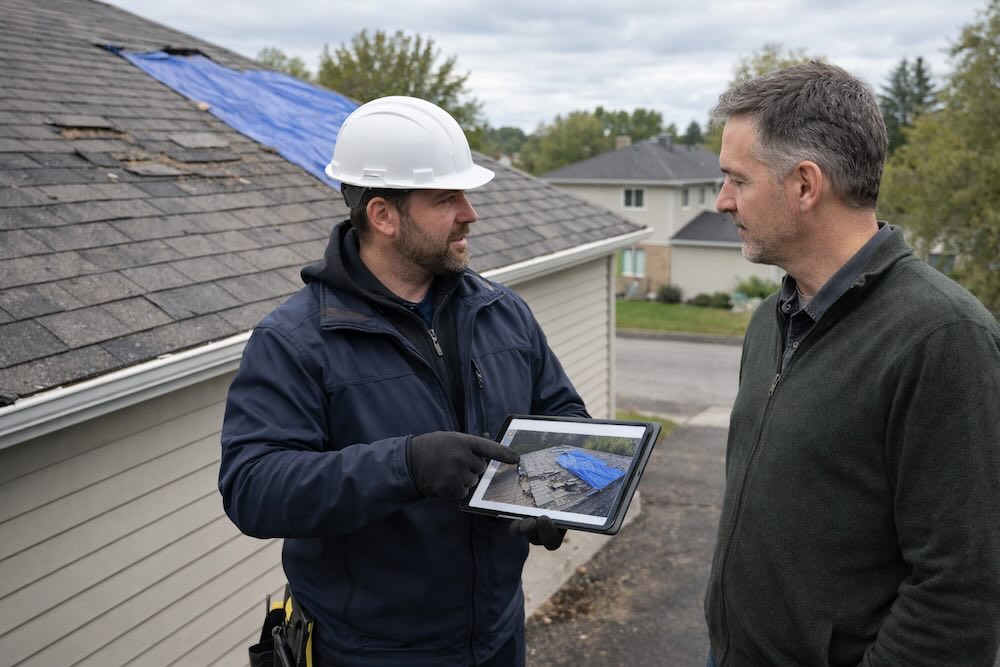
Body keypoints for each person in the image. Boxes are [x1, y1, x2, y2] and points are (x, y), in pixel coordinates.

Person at [219, 96, 587, 667]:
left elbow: (563, 414)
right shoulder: (296, 340)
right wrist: (406, 467)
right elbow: (252, 488)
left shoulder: (501, 311)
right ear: (383, 216)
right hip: (369, 653)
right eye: (446, 199)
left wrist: (555, 497)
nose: (470, 213)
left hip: (496, 639)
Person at [703, 62, 1000, 666]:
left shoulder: (943, 338)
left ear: (806, 185)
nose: (721, 201)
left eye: (737, 180)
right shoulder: (770, 321)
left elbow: (960, 593)